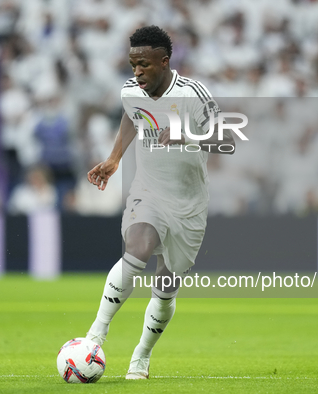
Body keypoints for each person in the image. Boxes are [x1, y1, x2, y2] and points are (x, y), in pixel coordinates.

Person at [85, 25, 235, 380]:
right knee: (136, 248)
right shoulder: (131, 91)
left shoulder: (193, 93)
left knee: (165, 288)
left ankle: (142, 354)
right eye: (133, 64)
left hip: (189, 203)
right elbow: (132, 115)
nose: (136, 71)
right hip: (148, 190)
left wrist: (186, 133)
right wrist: (114, 158)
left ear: (164, 62)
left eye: (144, 65)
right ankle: (96, 333)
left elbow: (226, 140)